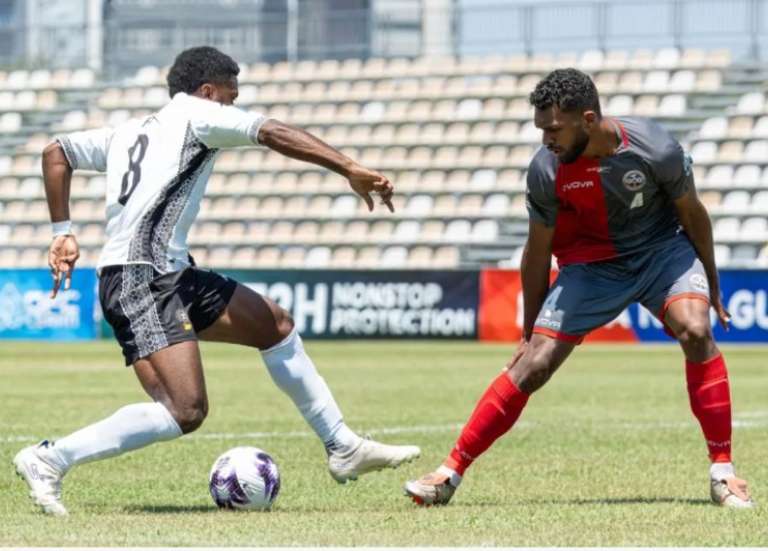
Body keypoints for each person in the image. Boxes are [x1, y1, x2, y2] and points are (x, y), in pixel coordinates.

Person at [13, 45, 419, 517]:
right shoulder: (199, 116)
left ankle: (342, 445)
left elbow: (55, 151)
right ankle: (49, 459)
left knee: (276, 325)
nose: (234, 104)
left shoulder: (128, 132)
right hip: (140, 279)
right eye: (231, 95)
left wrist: (62, 232)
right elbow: (271, 131)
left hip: (172, 274)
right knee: (184, 410)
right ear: (208, 92)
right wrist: (349, 167)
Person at [403, 68, 753, 509]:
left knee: (696, 329)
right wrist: (529, 332)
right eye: (541, 130)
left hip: (660, 252)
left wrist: (713, 282)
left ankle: (723, 472)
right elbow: (536, 254)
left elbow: (694, 214)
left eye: (553, 129)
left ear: (588, 119)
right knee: (534, 367)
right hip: (589, 269)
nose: (546, 139)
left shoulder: (655, 148)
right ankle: (448, 473)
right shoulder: (546, 170)